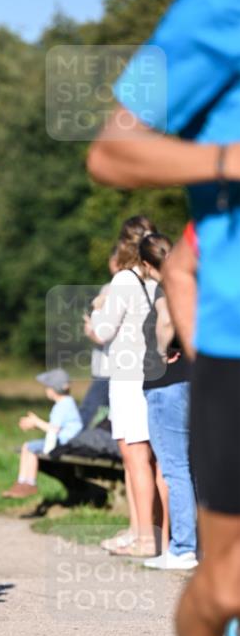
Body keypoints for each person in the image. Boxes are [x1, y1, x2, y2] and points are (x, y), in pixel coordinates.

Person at [88, 0, 240, 636]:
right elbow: (111, 148)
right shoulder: (219, 0)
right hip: (236, 339)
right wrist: (227, 157)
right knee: (223, 584)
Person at [87, 216, 162, 558]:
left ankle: (143, 537)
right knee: (157, 459)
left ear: (122, 245)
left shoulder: (123, 280)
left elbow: (103, 332)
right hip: (158, 374)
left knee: (134, 459)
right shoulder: (159, 279)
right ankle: (156, 534)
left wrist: (94, 318)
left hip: (128, 377)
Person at [139, 232, 197, 571]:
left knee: (175, 469)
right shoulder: (193, 286)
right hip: (193, 382)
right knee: (194, 467)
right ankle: (198, 545)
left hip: (166, 387)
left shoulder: (165, 290)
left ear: (147, 265)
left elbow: (165, 318)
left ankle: (183, 547)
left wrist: (160, 351)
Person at [2, 368, 83, 499]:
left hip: (64, 443)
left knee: (30, 448)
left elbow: (54, 430)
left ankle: (29, 483)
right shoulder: (67, 403)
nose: (46, 390)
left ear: (53, 390)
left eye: (47, 387)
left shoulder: (62, 406)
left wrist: (36, 422)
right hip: (64, 441)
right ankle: (22, 482)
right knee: (27, 446)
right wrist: (36, 424)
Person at [79, 246, 118, 428]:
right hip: (116, 366)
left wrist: (90, 331)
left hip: (107, 368)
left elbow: (104, 334)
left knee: (88, 413)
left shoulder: (110, 289)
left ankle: (69, 449)